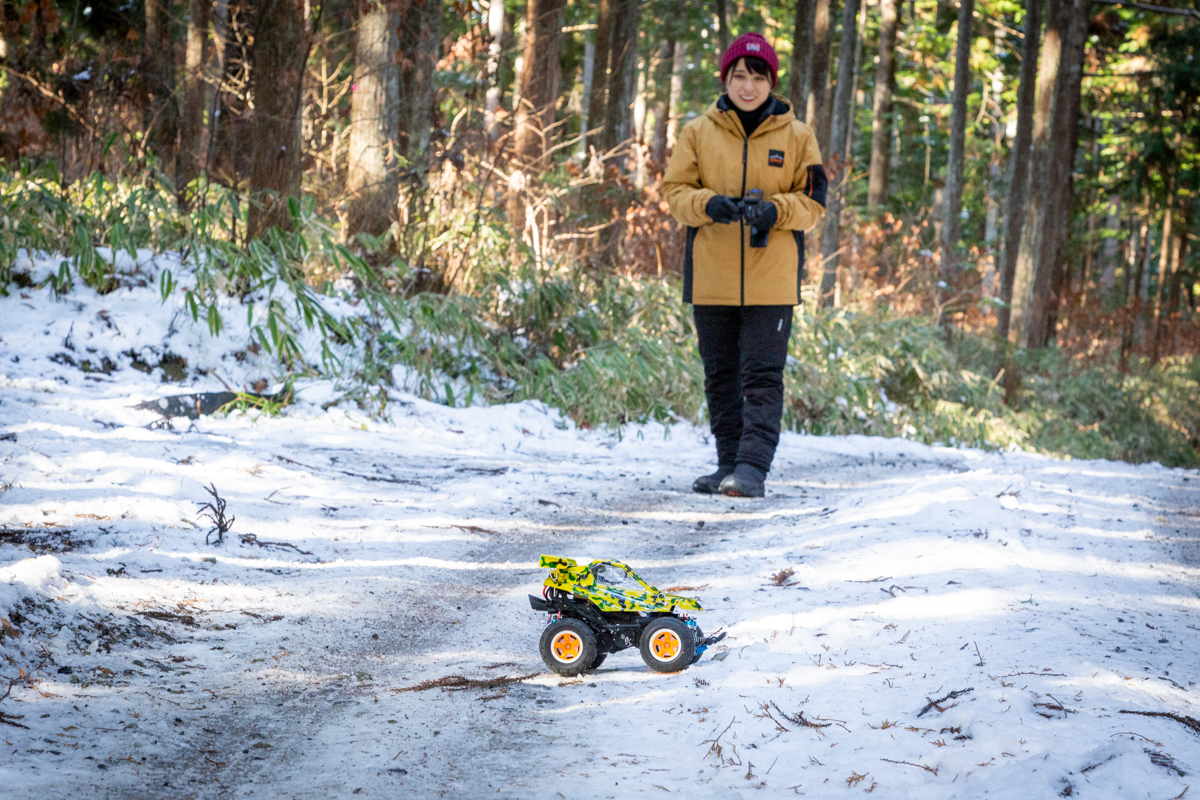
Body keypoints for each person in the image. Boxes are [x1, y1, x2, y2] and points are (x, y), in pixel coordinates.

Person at [663, 32, 827, 498]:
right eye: (739, 76)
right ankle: (726, 463)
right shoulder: (697, 132)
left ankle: (752, 468)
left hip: (772, 279)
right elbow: (675, 193)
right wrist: (709, 204)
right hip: (711, 275)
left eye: (758, 76)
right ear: (726, 79)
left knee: (761, 375)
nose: (748, 85)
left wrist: (775, 211)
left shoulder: (798, 136)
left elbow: (814, 202)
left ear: (771, 81)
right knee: (720, 374)